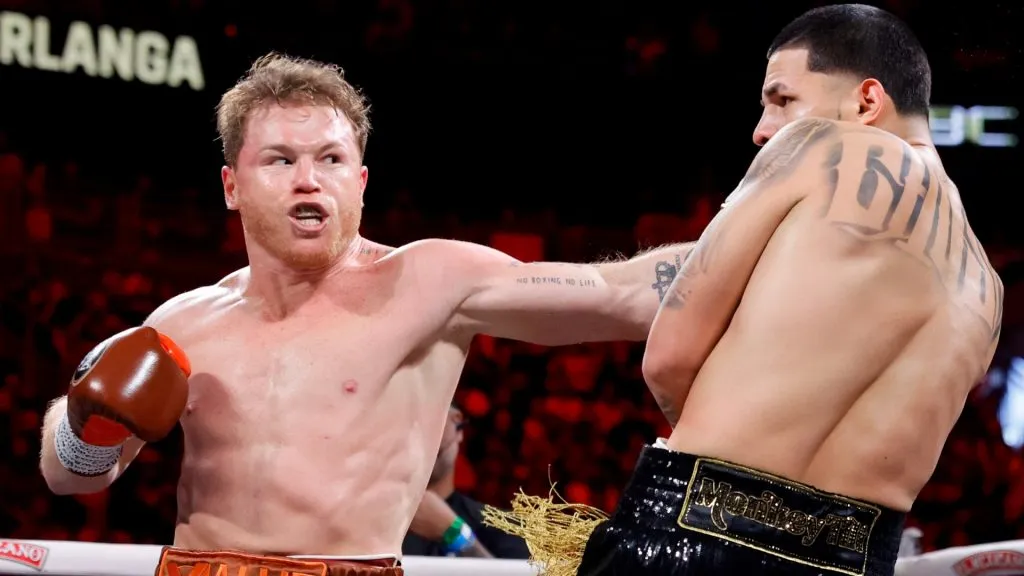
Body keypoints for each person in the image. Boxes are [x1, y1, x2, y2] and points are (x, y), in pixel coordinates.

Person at [37, 53, 694, 575]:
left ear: (360, 181)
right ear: (232, 186)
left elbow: (623, 293)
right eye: (281, 160)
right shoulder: (184, 322)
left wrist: (769, 223)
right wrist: (82, 427)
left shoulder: (428, 285)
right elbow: (69, 479)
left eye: (331, 159)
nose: (308, 179)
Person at [496, 5, 1003, 576]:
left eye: (781, 98)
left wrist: (728, 440)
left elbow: (668, 359)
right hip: (854, 560)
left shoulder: (822, 146)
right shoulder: (987, 288)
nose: (762, 128)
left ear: (866, 101)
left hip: (697, 526)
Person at [402, 404, 530, 559]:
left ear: (457, 423)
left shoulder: (505, 527)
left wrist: (457, 536)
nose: (417, 435)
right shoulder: (369, 524)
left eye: (429, 418)